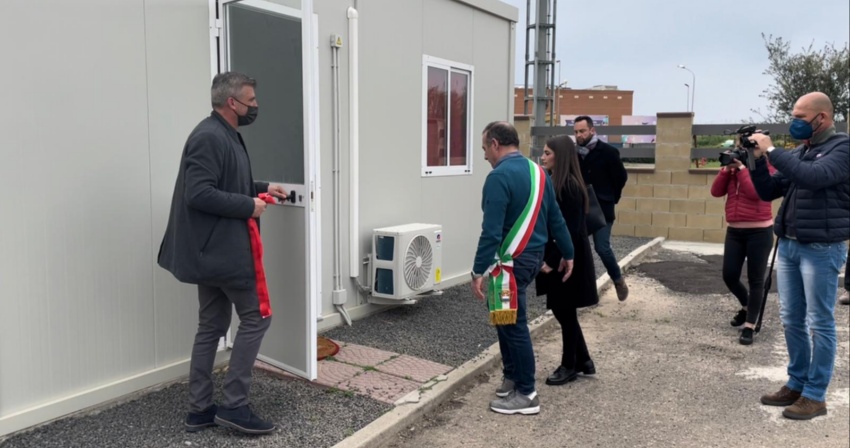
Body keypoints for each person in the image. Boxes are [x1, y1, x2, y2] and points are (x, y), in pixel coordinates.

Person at [158, 72, 289, 434]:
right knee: (257, 318)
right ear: (232, 102)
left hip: (212, 252)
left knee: (212, 326)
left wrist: (262, 187)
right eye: (251, 100)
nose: (256, 106)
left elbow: (225, 182)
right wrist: (249, 205)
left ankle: (200, 409)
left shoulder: (224, 134)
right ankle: (234, 406)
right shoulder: (209, 137)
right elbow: (199, 193)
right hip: (221, 252)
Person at [748, 92, 849, 421]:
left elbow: (814, 178)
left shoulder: (842, 149)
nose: (794, 123)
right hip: (790, 245)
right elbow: (769, 191)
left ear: (822, 118)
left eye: (800, 118)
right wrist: (755, 160)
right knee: (791, 318)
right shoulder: (801, 152)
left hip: (821, 248)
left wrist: (772, 151)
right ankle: (796, 383)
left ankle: (815, 395)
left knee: (820, 322)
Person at [470, 121, 575, 416]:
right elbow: (555, 218)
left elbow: (491, 231)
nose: (485, 155)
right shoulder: (539, 172)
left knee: (513, 324)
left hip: (510, 263)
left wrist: (477, 270)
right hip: (531, 259)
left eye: (484, 148)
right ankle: (512, 378)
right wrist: (568, 252)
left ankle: (527, 393)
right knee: (503, 317)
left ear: (495, 144)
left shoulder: (498, 177)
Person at [536, 135, 599, 385]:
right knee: (563, 310)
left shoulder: (568, 186)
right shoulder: (558, 182)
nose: (543, 157)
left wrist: (552, 261)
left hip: (566, 258)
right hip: (563, 254)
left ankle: (569, 365)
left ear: (560, 156)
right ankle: (584, 360)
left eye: (548, 153)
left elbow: (569, 229)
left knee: (565, 311)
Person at [710, 146, 776, 345]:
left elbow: (755, 193)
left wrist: (741, 170)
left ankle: (750, 325)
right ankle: (747, 306)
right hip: (735, 231)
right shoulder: (732, 171)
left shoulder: (766, 168)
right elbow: (716, 192)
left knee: (756, 279)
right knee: (729, 275)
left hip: (760, 231)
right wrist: (726, 170)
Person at [573, 116, 629, 301]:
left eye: (582, 131)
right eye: (576, 132)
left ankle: (618, 280)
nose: (579, 135)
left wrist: (611, 198)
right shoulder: (574, 154)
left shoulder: (608, 152)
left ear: (592, 130)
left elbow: (621, 178)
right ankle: (582, 290)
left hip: (603, 209)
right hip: (580, 208)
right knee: (576, 248)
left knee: (602, 247)